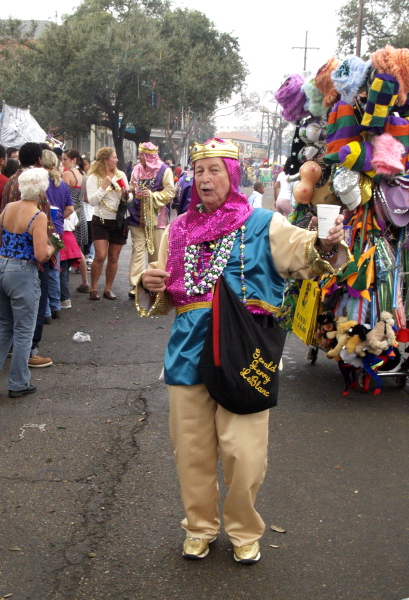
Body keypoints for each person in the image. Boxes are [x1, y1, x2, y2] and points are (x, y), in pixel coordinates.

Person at [138, 138, 347, 564]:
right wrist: (149, 284)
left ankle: (243, 529)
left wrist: (326, 244)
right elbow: (162, 293)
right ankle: (199, 527)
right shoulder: (177, 229)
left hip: (243, 350)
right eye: (199, 171)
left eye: (215, 170)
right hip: (187, 349)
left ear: (232, 175)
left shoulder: (262, 224)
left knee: (244, 453)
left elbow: (308, 254)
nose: (205, 179)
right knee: (191, 449)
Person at [0, 168, 55, 397]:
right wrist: (54, 247)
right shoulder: (38, 216)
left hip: (2, 265)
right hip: (23, 272)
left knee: (4, 327)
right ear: (42, 190)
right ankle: (18, 383)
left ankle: (18, 381)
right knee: (24, 330)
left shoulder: (8, 209)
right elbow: (41, 254)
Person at [127, 142, 174, 298]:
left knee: (156, 253)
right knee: (138, 251)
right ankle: (137, 284)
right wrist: (127, 195)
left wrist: (153, 196)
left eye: (142, 154)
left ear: (150, 156)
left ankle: (155, 285)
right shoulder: (136, 169)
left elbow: (170, 192)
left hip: (156, 219)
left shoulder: (164, 170)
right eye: (139, 153)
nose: (139, 156)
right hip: (137, 216)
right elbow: (132, 189)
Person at [86, 147, 131, 300]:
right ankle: (93, 288)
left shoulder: (121, 175)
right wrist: (104, 186)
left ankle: (107, 289)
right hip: (101, 220)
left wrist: (126, 195)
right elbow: (92, 201)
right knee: (100, 255)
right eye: (114, 157)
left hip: (118, 220)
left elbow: (128, 198)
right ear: (106, 160)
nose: (117, 160)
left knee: (113, 257)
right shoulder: (93, 177)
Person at [42, 150, 74, 314]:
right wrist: (60, 218)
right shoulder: (61, 184)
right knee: (55, 267)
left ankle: (46, 309)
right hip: (58, 229)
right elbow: (70, 208)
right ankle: (55, 306)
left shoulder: (39, 182)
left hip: (41, 229)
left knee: (42, 269)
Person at [61, 149, 90, 293]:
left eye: (65, 159)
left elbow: (62, 195)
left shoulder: (67, 174)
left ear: (73, 159)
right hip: (81, 213)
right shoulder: (83, 175)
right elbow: (86, 197)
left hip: (70, 214)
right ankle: (84, 281)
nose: (62, 162)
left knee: (72, 248)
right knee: (79, 250)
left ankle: (66, 285)